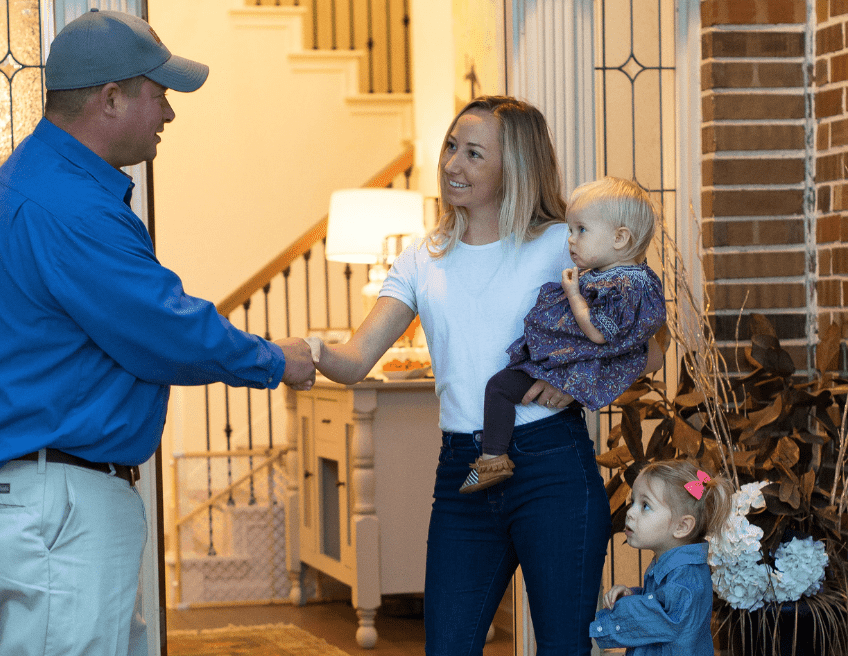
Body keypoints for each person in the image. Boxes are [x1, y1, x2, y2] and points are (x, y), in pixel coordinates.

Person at [0, 9, 316, 656]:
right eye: (160, 94)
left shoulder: (42, 185)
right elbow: (163, 328)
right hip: (61, 500)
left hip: (55, 494)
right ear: (111, 98)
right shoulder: (67, 207)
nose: (169, 114)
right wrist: (277, 360)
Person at [311, 96, 662, 655]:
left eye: (474, 153)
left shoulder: (561, 244)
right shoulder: (421, 258)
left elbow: (649, 344)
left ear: (514, 166)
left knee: (564, 648)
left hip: (552, 467)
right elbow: (354, 359)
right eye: (451, 146)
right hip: (464, 474)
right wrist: (303, 355)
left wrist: (573, 379)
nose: (453, 164)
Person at [460, 177, 666, 493]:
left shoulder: (622, 287)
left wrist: (573, 294)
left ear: (620, 238)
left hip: (562, 368)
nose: (570, 240)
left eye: (581, 230)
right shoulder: (623, 279)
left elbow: (601, 334)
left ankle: (492, 460)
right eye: (570, 230)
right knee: (500, 388)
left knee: (500, 389)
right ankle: (493, 458)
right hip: (561, 367)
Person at [590, 460, 733, 656]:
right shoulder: (671, 565)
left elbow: (662, 619)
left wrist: (598, 624)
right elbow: (659, 602)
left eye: (645, 506)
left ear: (682, 526)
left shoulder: (686, 578)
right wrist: (633, 595)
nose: (630, 513)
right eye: (633, 502)